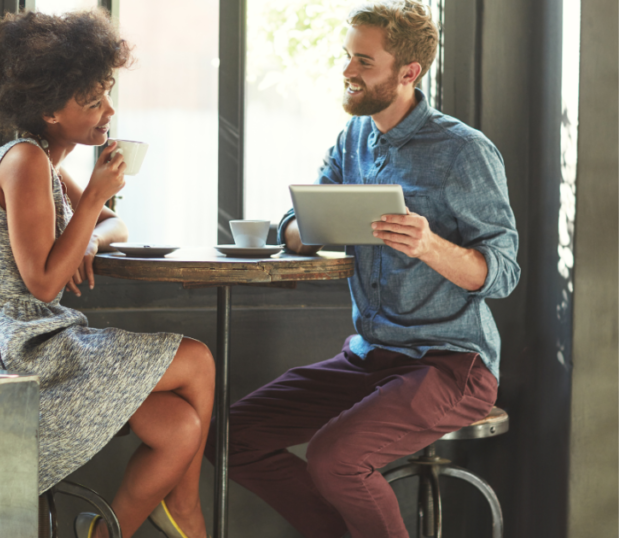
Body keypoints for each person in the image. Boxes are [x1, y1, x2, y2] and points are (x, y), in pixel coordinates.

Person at [205, 2, 520, 537]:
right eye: (347, 57)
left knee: (335, 458)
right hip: (372, 357)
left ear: (408, 73)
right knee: (232, 437)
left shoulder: (463, 151)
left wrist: (429, 245)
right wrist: (302, 230)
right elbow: (297, 219)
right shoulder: (355, 140)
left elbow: (504, 273)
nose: (348, 71)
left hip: (450, 364)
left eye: (363, 62)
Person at [0, 9, 213, 538]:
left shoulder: (46, 161)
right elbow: (43, 283)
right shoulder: (25, 161)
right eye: (92, 102)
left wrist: (89, 232)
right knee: (198, 359)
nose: (108, 110)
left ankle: (104, 533)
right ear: (48, 109)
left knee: (181, 427)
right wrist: (93, 196)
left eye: (106, 93)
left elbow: (117, 225)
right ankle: (184, 510)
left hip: (43, 339)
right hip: (15, 352)